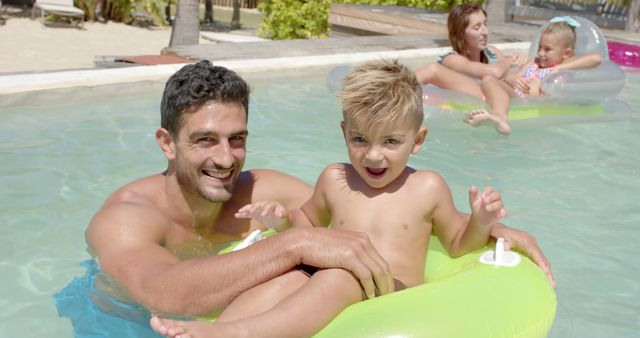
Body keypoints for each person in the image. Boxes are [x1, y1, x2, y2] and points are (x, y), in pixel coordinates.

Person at [84, 60, 553, 335]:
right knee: (290, 271)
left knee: (316, 276)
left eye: (237, 139)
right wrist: (293, 242)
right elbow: (165, 295)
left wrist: (492, 229)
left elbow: (380, 211)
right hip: (122, 321)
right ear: (167, 142)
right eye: (205, 140)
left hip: (352, 293)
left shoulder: (262, 187)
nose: (226, 159)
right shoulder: (127, 219)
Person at [463, 18, 602, 134]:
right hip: (518, 95)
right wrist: (514, 79)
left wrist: (558, 68)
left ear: (566, 53)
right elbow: (511, 78)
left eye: (547, 49)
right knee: (488, 79)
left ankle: (499, 115)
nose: (541, 53)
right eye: (539, 47)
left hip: (534, 101)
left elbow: (596, 59)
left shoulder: (563, 67)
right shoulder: (534, 62)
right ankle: (499, 116)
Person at [415, 3, 528, 99]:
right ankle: (399, 92)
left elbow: (510, 74)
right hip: (470, 99)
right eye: (477, 27)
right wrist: (508, 60)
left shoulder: (492, 52)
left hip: (491, 98)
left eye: (485, 24)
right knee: (433, 69)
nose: (485, 31)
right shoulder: (452, 59)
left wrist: (519, 62)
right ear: (461, 34)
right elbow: (495, 72)